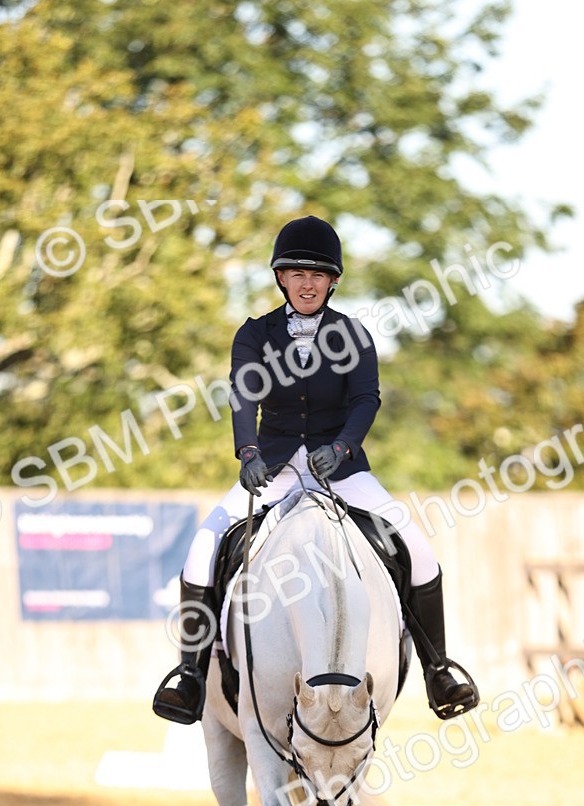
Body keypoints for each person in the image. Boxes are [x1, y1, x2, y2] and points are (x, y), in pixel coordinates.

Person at [153, 215, 478, 725]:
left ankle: (439, 668)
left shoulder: (353, 334)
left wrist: (345, 447)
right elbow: (244, 395)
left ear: (333, 281)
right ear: (281, 278)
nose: (307, 283)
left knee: (418, 547)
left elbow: (367, 398)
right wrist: (248, 453)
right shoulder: (253, 333)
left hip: (341, 469)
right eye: (296, 273)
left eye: (318, 275)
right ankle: (190, 675)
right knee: (202, 549)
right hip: (274, 467)